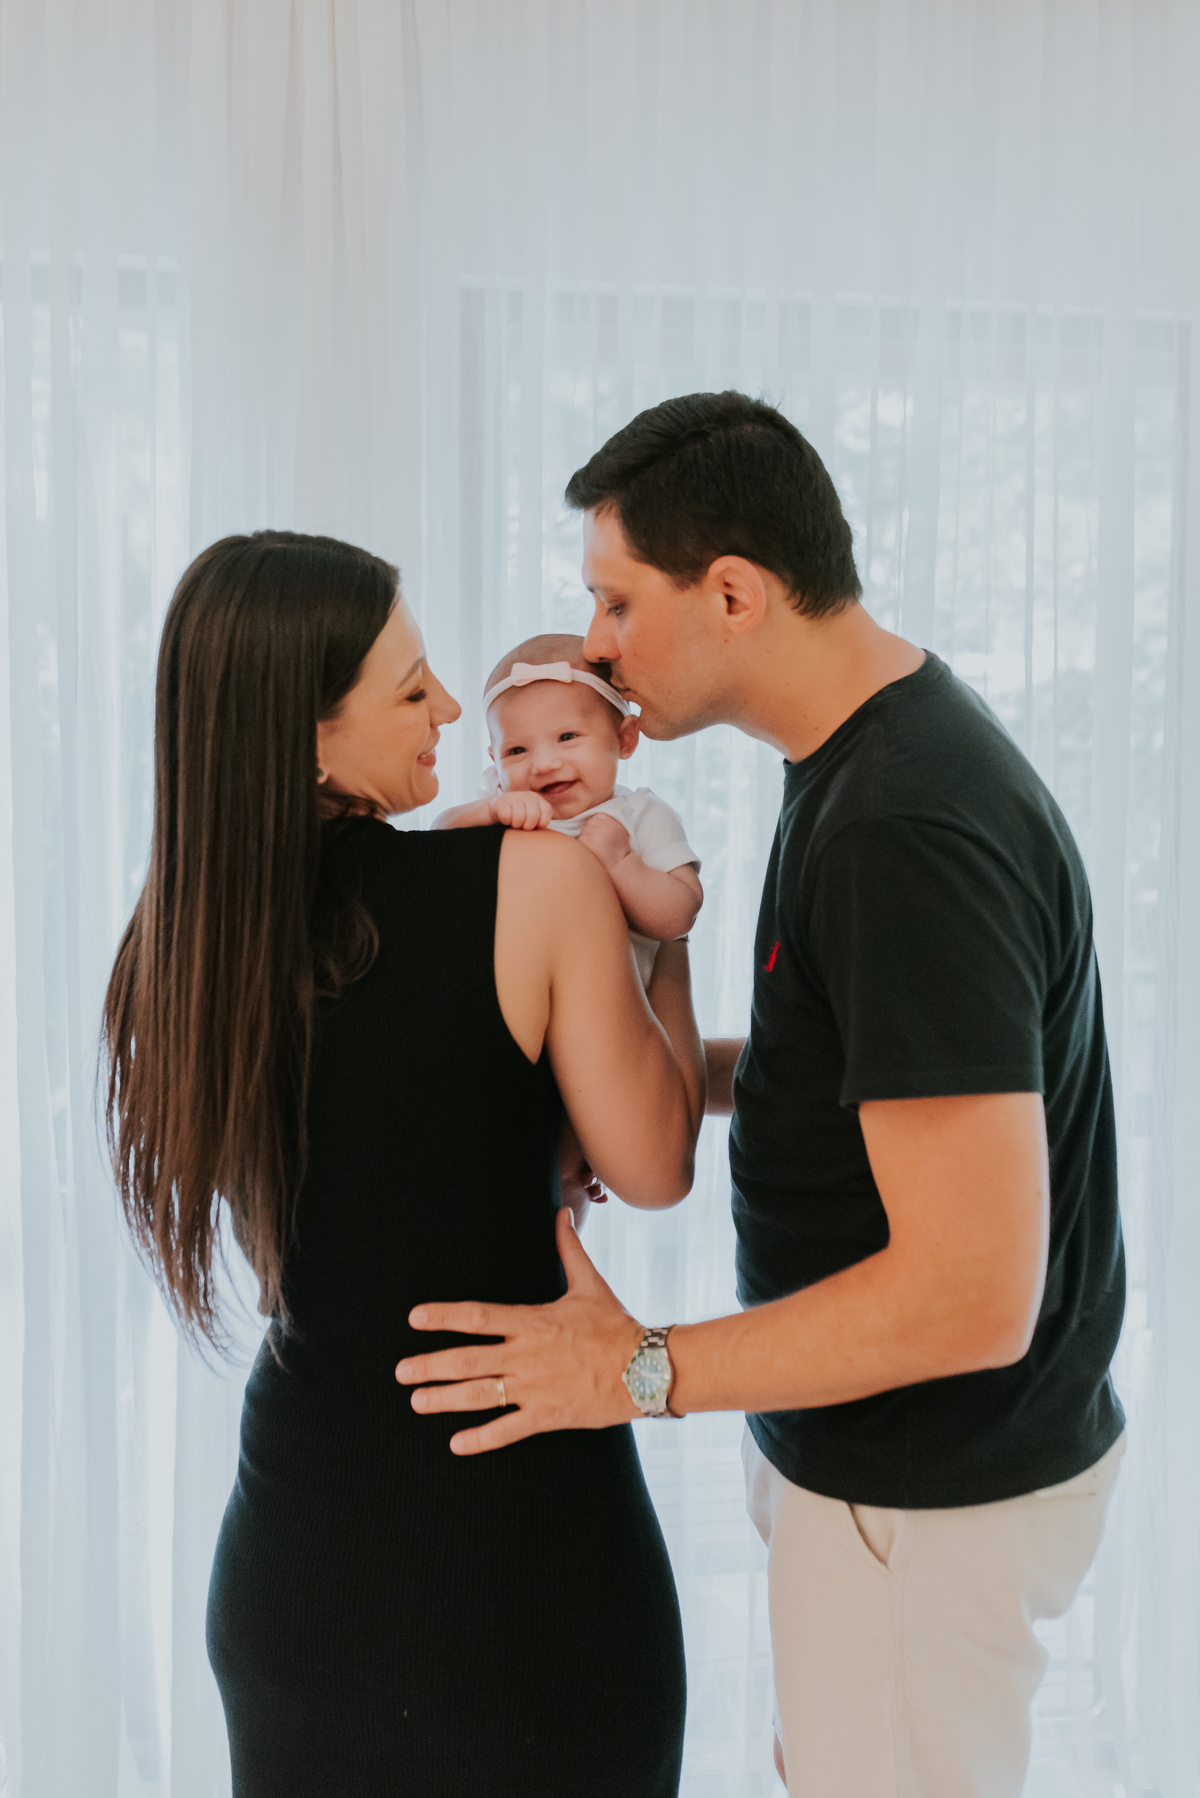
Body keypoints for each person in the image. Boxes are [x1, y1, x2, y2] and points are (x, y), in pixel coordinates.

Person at [395, 394, 1128, 1798]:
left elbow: (976, 1291)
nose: (591, 644)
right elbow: (877, 1068)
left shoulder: (905, 823)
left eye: (612, 599)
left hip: (929, 1485)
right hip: (883, 1475)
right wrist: (603, 1065)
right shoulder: (865, 756)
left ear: (731, 590)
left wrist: (635, 1369)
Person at [100, 530, 705, 1797]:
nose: (451, 710)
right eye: (412, 683)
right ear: (311, 738)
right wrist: (654, 926)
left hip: (297, 1581)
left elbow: (327, 1210)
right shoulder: (538, 885)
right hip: (519, 1568)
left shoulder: (184, 948)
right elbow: (652, 1162)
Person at [436, 631, 702, 985]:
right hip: (511, 997)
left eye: (567, 737)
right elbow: (437, 839)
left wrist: (621, 862)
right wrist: (489, 811)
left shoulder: (640, 814)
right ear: (494, 761)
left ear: (624, 738)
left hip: (609, 1008)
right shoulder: (500, 804)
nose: (544, 764)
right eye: (517, 751)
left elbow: (679, 919)